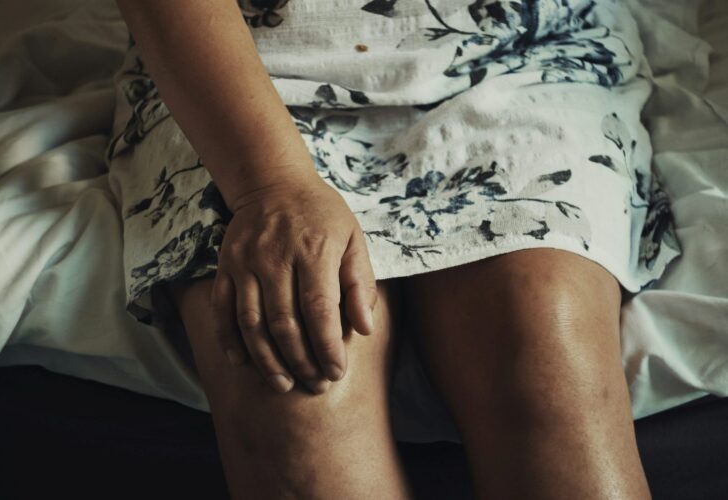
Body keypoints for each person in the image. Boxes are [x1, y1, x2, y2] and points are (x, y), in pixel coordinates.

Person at [107, 0, 682, 498]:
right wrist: (270, 187)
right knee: (298, 398)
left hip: (518, 48)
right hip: (242, 72)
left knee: (551, 365)